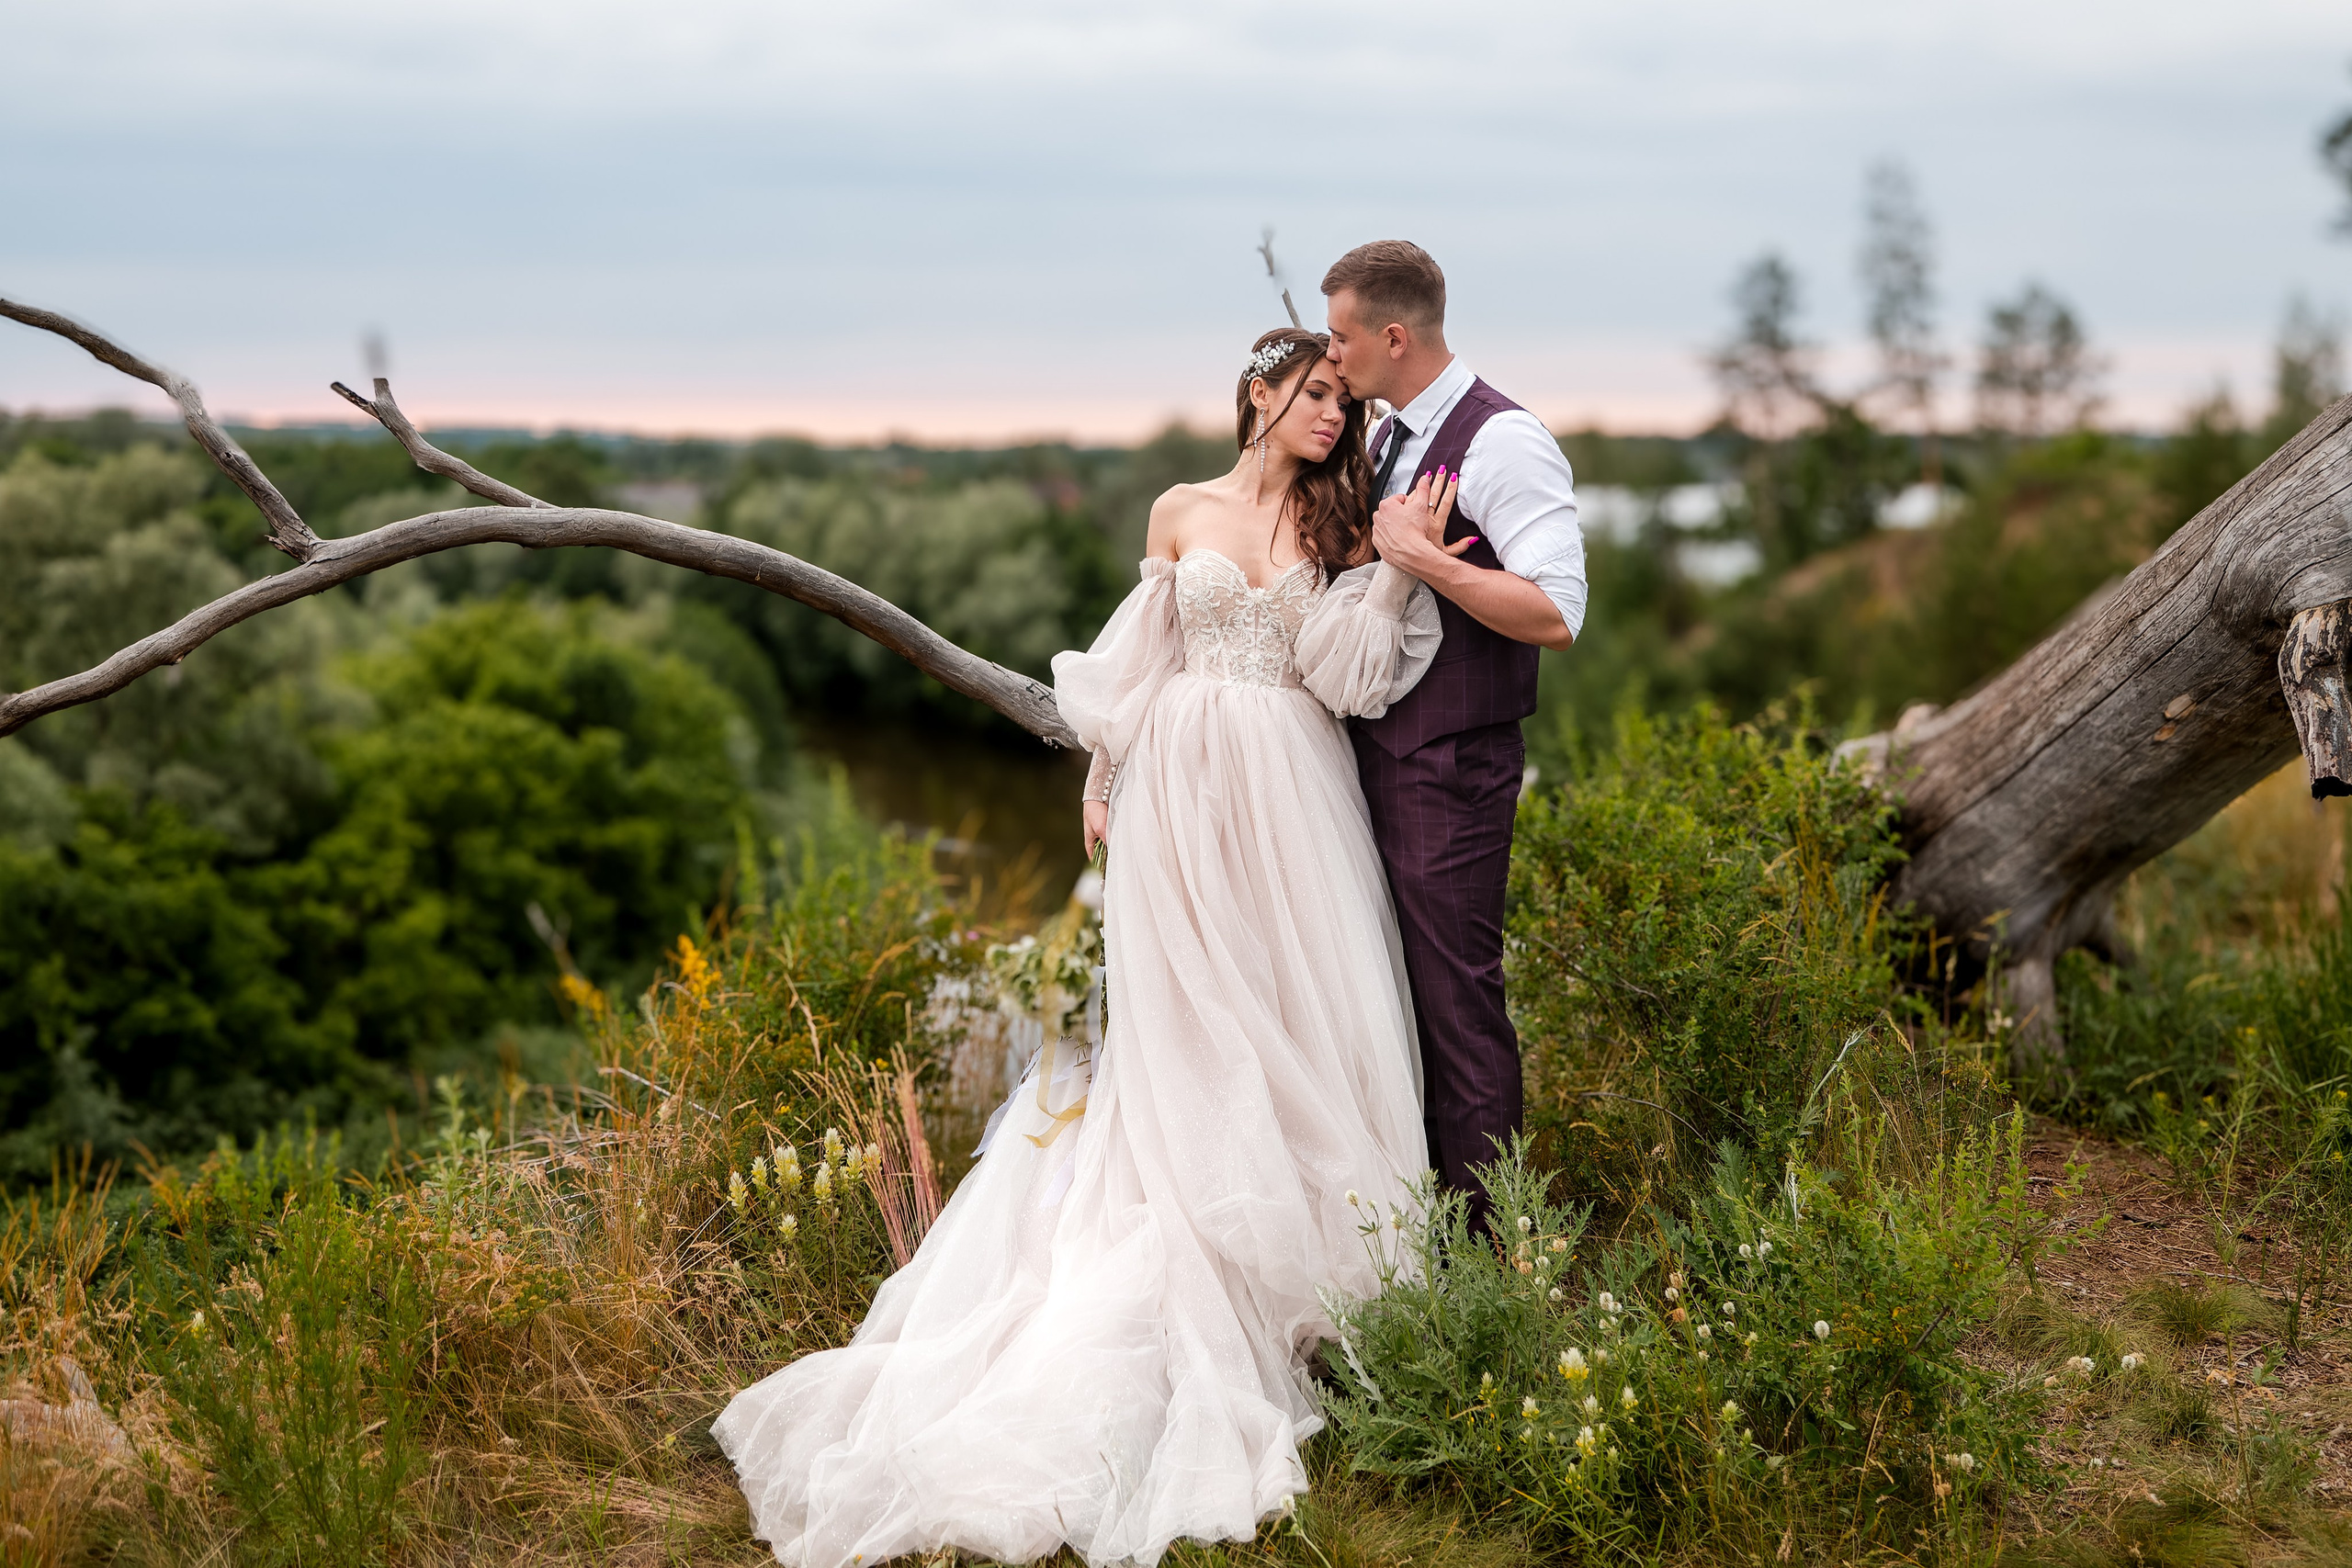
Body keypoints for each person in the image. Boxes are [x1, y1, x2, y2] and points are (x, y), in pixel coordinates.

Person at [716, 325, 1453, 1567]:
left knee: (1294, 1010)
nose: (1334, 414)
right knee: (1195, 1018)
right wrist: (1103, 771)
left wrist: (1389, 573)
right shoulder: (1180, 508)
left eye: (1344, 397)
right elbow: (1141, 658)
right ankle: (1204, 1232)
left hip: (1292, 786)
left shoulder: (1341, 520)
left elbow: (1343, 677)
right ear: (1260, 393)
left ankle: (1312, 1277)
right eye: (1315, 393)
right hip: (1177, 790)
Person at [1318, 241, 1586, 1233]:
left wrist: (1427, 562)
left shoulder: (1503, 441)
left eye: (1342, 338)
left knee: (1455, 1009)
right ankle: (1405, 1231)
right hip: (1374, 758)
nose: (1332, 357)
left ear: (1394, 335)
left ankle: (1486, 1257)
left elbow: (1555, 612)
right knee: (1382, 1000)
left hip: (1452, 771)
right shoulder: (1386, 434)